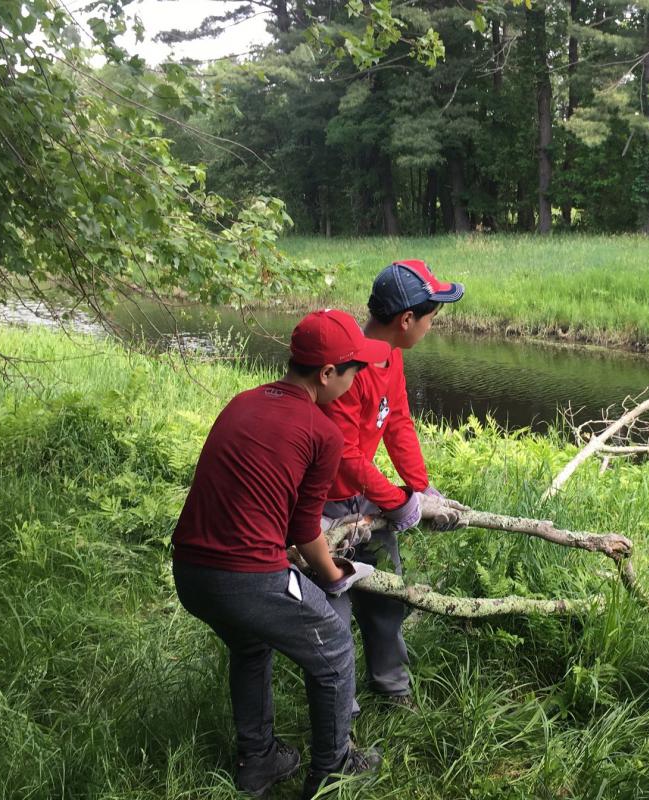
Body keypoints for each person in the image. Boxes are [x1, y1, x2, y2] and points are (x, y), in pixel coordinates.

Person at [171, 309, 388, 799]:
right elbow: (304, 531)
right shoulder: (323, 432)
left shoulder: (243, 401)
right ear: (327, 373)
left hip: (190, 572)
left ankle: (259, 761)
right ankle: (334, 769)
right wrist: (334, 573)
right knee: (334, 647)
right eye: (354, 370)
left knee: (251, 644)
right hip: (247, 576)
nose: (358, 379)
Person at [320, 260, 465, 707]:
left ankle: (392, 688)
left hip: (365, 499)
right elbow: (344, 457)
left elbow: (398, 421)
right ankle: (341, 716)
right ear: (406, 320)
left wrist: (421, 488)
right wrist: (399, 503)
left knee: (387, 593)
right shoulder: (349, 370)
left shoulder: (391, 356)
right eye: (431, 317)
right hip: (322, 511)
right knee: (333, 615)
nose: (431, 326)